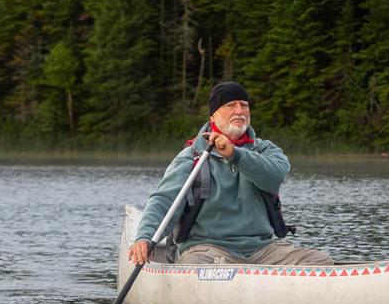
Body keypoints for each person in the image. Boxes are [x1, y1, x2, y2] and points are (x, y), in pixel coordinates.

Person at [127, 81, 333, 267]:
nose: (240, 111)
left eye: (244, 105)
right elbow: (164, 202)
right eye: (231, 105)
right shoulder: (191, 157)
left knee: (320, 261)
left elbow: (276, 175)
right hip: (208, 250)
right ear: (213, 115)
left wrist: (235, 155)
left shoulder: (265, 150)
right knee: (194, 265)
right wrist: (145, 237)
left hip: (263, 250)